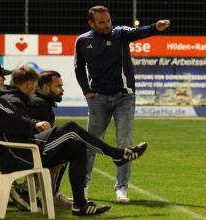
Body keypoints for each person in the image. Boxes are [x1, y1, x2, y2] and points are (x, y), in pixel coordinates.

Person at [0, 59, 148, 216]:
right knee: (70, 129)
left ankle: (80, 205)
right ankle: (117, 154)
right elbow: (14, 119)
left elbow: (11, 118)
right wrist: (33, 124)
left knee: (76, 146)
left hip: (15, 150)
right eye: (0, 75)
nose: (4, 78)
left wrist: (30, 124)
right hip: (16, 154)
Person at [74, 5, 170, 202]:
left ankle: (121, 188)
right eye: (102, 22)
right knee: (90, 144)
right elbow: (78, 68)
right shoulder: (82, 41)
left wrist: (154, 28)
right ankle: (83, 187)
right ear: (91, 23)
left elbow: (138, 32)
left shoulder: (120, 34)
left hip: (124, 98)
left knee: (125, 144)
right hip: (97, 99)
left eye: (108, 20)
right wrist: (87, 92)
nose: (107, 24)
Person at [1, 70, 71, 209]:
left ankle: (27, 190)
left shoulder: (37, 102)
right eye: (59, 86)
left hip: (11, 150)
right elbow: (28, 132)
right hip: (18, 153)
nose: (62, 90)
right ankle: (48, 194)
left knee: (60, 146)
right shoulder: (39, 104)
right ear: (45, 87)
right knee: (64, 150)